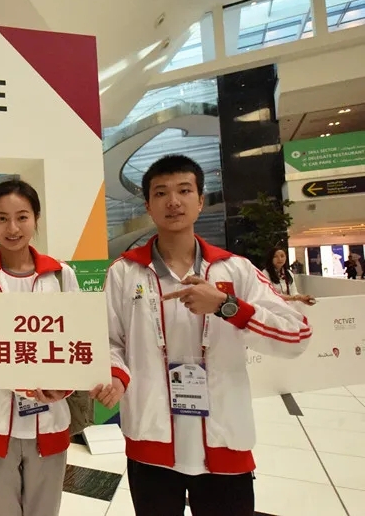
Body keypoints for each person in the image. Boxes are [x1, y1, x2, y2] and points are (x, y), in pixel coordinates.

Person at [91, 155, 312, 516]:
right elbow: (109, 341)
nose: (173, 201)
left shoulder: (235, 270)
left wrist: (228, 306)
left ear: (200, 201)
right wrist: (116, 375)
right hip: (151, 440)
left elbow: (298, 334)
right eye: (161, 193)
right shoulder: (124, 273)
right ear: (148, 206)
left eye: (184, 190)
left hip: (224, 440)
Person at [0, 180, 78, 516]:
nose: (12, 228)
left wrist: (60, 385)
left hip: (49, 418)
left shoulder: (61, 276)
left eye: (22, 217)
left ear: (36, 218)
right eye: (2, 218)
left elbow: (73, 344)